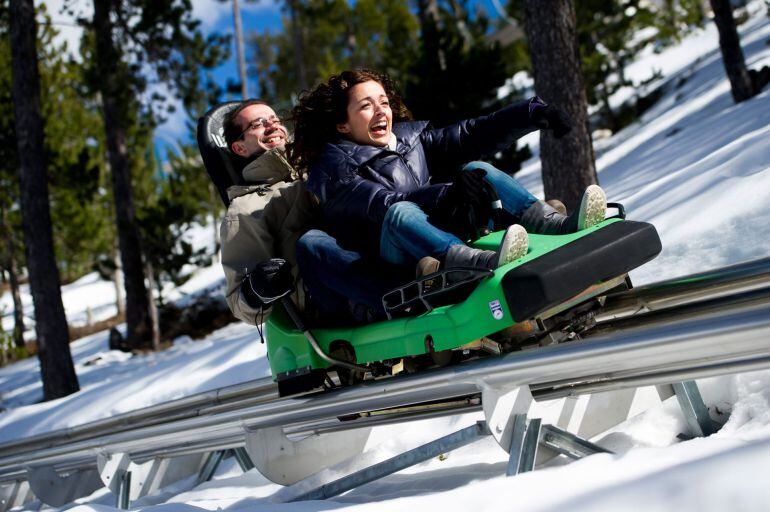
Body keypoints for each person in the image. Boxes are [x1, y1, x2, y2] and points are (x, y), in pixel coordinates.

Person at [289, 69, 606, 275]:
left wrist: (529, 113)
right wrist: (447, 192)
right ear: (343, 124)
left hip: (441, 231)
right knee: (400, 213)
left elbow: (470, 134)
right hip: (394, 257)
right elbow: (381, 203)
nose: (380, 111)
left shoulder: (412, 140)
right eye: (366, 106)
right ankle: (478, 263)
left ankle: (556, 225)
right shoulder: (332, 169)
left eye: (383, 102)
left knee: (477, 168)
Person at [219, 99, 392, 325]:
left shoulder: (321, 163)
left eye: (275, 120)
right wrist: (256, 290)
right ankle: (396, 297)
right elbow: (238, 302)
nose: (272, 126)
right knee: (313, 243)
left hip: (372, 257)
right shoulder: (245, 210)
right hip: (326, 300)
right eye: (257, 124)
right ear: (240, 147)